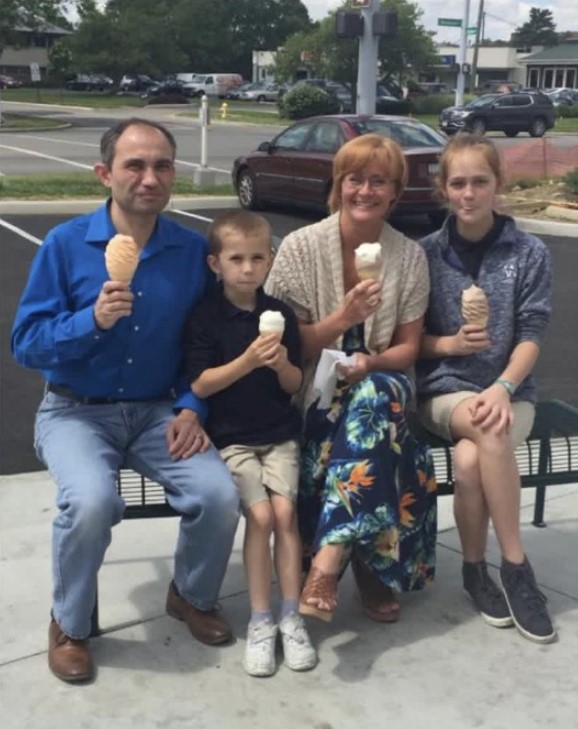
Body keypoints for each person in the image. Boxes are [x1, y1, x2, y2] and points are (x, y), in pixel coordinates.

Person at [11, 118, 240, 683]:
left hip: (159, 409)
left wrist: (193, 404)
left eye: (162, 165)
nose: (150, 177)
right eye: (135, 165)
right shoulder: (66, 245)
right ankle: (69, 623)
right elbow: (25, 344)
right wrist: (89, 321)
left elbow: (209, 341)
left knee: (218, 493)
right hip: (75, 410)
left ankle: (190, 594)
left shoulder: (192, 252)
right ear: (104, 173)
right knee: (90, 502)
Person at [265, 134, 437, 623]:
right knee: (368, 422)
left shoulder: (409, 256)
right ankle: (368, 560)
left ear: (395, 192)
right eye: (354, 179)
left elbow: (405, 348)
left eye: (378, 181)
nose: (365, 190)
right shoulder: (300, 248)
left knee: (373, 397)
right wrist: (343, 318)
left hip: (384, 376)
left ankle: (326, 561)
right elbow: (288, 344)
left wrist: (369, 363)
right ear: (337, 185)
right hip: (312, 381)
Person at [416, 133, 555, 644]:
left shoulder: (528, 251)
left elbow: (532, 334)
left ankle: (475, 570)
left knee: (473, 460)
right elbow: (411, 344)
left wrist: (503, 385)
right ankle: (516, 567)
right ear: (444, 190)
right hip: (445, 392)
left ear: (498, 184)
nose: (469, 193)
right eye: (458, 183)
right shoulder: (424, 255)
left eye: (480, 181)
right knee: (487, 434)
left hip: (513, 391)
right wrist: (448, 344)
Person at [183, 211, 317, 677]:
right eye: (236, 258)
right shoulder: (205, 318)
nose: (247, 268)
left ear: (270, 260)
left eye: (257, 258)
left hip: (279, 434)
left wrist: (280, 365)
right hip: (232, 439)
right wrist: (246, 360)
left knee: (286, 515)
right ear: (215, 263)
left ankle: (290, 615)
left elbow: (294, 383)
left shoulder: (281, 317)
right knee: (260, 516)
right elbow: (200, 385)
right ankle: (261, 620)